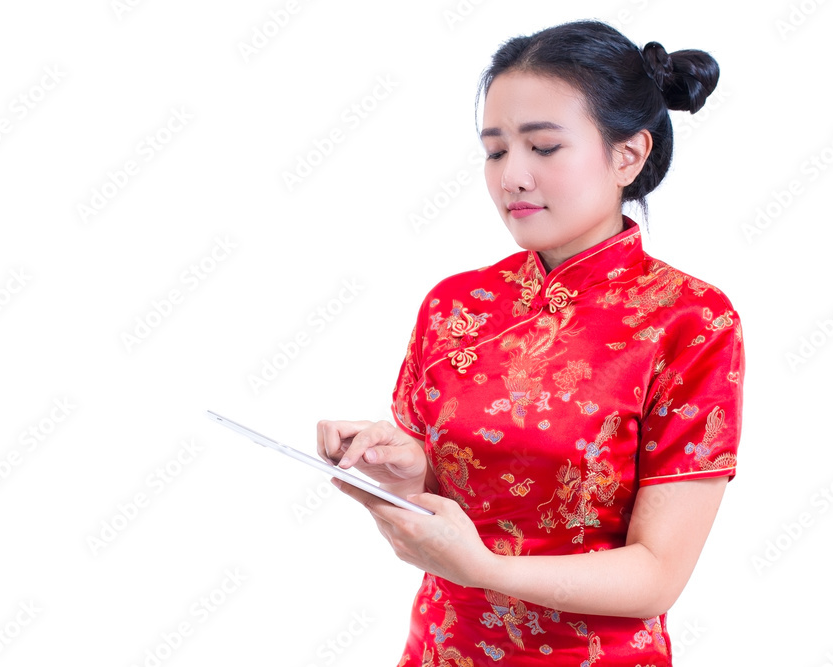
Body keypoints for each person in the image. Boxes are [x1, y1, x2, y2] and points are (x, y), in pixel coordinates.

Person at [317, 19, 744, 667]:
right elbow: (453, 494)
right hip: (439, 651)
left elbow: (658, 574)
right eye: (495, 150)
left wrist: (484, 567)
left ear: (626, 154)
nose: (512, 175)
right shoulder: (455, 303)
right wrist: (406, 470)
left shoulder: (689, 321)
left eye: (543, 147)